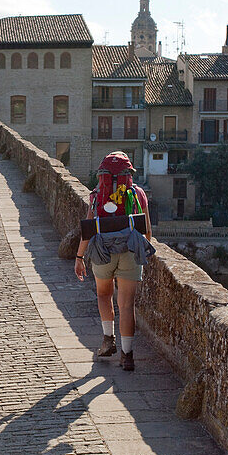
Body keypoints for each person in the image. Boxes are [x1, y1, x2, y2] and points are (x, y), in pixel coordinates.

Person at [73, 152, 154, 371]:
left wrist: (79, 257)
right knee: (127, 305)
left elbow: (87, 231)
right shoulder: (138, 193)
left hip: (102, 251)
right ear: (129, 173)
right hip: (129, 250)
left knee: (103, 294)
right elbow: (147, 232)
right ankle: (127, 356)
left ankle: (108, 339)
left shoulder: (97, 195)